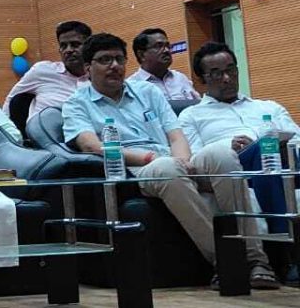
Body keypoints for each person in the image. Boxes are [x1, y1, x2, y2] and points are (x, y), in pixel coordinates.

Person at [62, 34, 279, 290]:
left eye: (119, 59)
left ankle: (257, 260)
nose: (114, 66)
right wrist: (149, 157)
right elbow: (91, 145)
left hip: (172, 157)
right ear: (88, 67)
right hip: (138, 168)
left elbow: (176, 135)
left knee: (222, 155)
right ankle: (226, 260)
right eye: (105, 60)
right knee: (167, 169)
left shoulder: (147, 92)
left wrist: (184, 160)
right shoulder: (76, 103)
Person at [179, 41, 299, 239]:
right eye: (217, 74)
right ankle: (283, 238)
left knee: (270, 147)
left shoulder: (269, 107)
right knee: (263, 148)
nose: (227, 78)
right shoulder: (191, 115)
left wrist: (283, 147)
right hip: (236, 168)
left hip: (286, 162)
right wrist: (230, 149)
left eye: (230, 70)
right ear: (202, 79)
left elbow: (297, 140)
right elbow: (195, 161)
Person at [3, 20, 92, 118]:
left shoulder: (98, 78)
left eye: (75, 45)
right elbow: (11, 99)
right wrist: (6, 127)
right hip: (43, 126)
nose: (68, 50)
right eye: (63, 46)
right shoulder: (43, 71)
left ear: (89, 47)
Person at [128, 28, 199, 100]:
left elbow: (197, 103)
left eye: (168, 46)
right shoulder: (131, 86)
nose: (166, 50)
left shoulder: (180, 78)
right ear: (142, 55)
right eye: (159, 46)